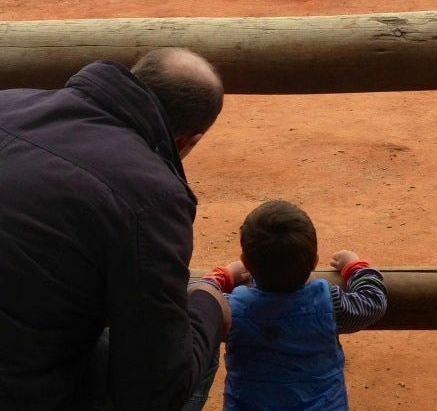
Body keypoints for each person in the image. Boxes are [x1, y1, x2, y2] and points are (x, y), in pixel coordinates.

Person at [0, 48, 231, 411]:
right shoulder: (152, 195)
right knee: (189, 336)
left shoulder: (7, 102)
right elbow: (154, 385)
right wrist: (210, 303)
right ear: (189, 140)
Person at [201, 199, 388, 411]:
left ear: (246, 263)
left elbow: (200, 301)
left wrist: (223, 275)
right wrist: (355, 267)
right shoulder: (328, 302)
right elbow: (373, 301)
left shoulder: (232, 309)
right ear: (315, 262)